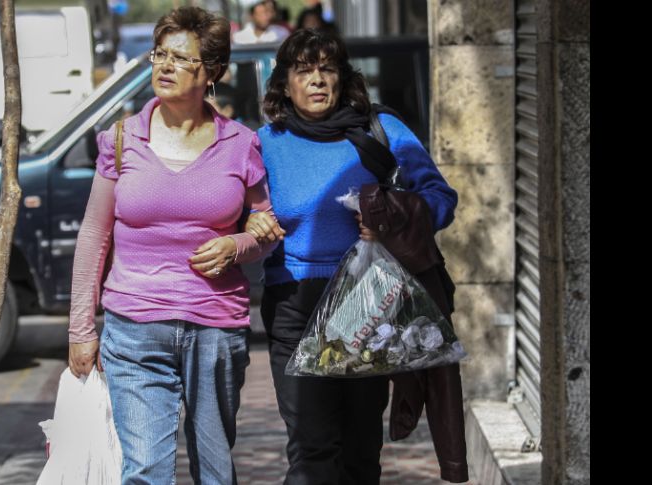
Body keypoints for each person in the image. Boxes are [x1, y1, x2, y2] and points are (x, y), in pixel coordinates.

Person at [66, 6, 284, 484]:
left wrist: (236, 246)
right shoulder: (122, 139)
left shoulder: (240, 144)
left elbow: (265, 229)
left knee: (215, 471)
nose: (165, 66)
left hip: (215, 327)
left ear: (212, 72)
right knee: (145, 470)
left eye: (181, 59)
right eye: (159, 54)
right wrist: (81, 329)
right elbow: (94, 236)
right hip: (134, 326)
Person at [251, 28, 459, 484]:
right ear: (284, 83)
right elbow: (238, 209)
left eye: (327, 69)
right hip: (294, 303)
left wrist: (392, 215)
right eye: (303, 71)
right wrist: (252, 223)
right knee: (312, 450)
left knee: (360, 450)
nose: (316, 80)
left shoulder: (380, 130)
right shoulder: (265, 143)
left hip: (368, 303)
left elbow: (441, 198)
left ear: (343, 78)